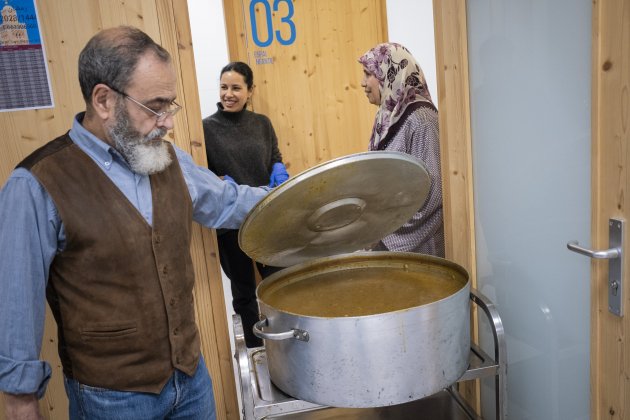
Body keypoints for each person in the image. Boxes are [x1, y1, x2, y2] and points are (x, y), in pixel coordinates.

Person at [0, 26, 269, 420]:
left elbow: (229, 203)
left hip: (192, 382)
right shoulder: (35, 183)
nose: (168, 123)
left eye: (170, 106)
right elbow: (16, 301)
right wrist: (21, 402)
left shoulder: (169, 159)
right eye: (156, 106)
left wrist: (307, 196)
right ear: (104, 100)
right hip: (111, 399)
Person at [202, 61, 288, 348]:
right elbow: (204, 174)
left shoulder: (262, 123)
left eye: (236, 88)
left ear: (250, 91)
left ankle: (286, 345)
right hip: (230, 225)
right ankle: (255, 353)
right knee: (243, 294)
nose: (229, 94)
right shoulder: (206, 129)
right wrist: (214, 179)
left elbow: (274, 155)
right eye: (224, 87)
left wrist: (278, 169)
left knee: (280, 285)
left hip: (266, 218)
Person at [359, 42, 445, 257]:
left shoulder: (422, 119)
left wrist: (385, 234)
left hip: (420, 247)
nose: (363, 83)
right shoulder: (387, 116)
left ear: (390, 74)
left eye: (368, 74)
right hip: (389, 241)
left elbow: (434, 195)